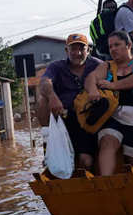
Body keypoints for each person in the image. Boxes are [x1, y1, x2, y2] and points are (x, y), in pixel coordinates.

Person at [84, 31, 133, 175]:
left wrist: (112, 85)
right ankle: (106, 185)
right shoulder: (107, 66)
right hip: (112, 115)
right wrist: (92, 89)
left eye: (117, 45)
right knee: (107, 143)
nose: (113, 49)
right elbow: (91, 77)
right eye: (110, 47)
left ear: (129, 45)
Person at [38, 33, 102, 170]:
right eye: (73, 49)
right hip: (64, 118)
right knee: (43, 99)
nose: (77, 53)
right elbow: (44, 81)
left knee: (85, 162)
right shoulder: (56, 66)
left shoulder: (98, 65)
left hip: (89, 119)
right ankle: (47, 143)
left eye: (81, 49)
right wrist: (53, 98)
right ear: (67, 51)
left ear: (88, 50)